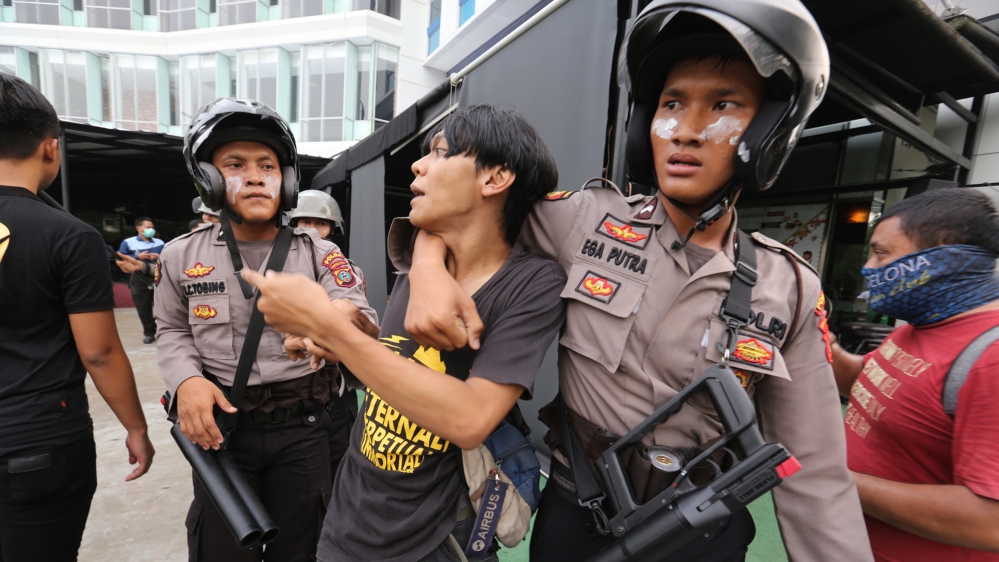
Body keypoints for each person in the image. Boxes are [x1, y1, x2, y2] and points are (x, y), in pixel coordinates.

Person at [403, 2, 874, 561]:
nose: (688, 131)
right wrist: (429, 269)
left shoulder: (788, 286)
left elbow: (816, 471)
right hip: (580, 516)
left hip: (701, 528)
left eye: (723, 105)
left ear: (771, 129)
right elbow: (458, 209)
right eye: (672, 105)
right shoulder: (582, 219)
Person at [242, 105, 567, 562]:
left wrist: (332, 328)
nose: (418, 165)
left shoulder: (532, 284)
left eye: (440, 152)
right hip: (349, 521)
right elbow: (399, 362)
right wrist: (336, 344)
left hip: (433, 540)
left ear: (494, 178)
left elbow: (470, 419)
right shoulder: (419, 265)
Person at [155, 98, 377, 562]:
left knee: (305, 547)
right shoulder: (179, 257)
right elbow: (172, 329)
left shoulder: (319, 252)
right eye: (234, 164)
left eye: (267, 165)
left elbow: (355, 310)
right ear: (209, 180)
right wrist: (186, 381)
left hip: (304, 428)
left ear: (288, 179)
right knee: (221, 547)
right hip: (221, 433)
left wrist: (328, 330)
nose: (254, 176)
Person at [0, 73, 155, 561]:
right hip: (36, 441)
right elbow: (100, 352)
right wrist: (136, 427)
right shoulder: (67, 236)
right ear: (50, 149)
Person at [830, 188, 999, 562]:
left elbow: (992, 521)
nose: (869, 269)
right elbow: (871, 386)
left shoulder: (992, 358)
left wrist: (831, 478)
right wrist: (820, 343)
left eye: (882, 253)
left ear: (945, 257)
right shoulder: (920, 325)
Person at [286, 189, 363, 480]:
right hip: (289, 385)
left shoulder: (346, 269)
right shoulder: (276, 266)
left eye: (320, 223)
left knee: (339, 461)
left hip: (333, 382)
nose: (311, 230)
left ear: (334, 229)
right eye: (302, 221)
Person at [118, 216, 163, 343]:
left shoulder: (159, 242)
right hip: (138, 277)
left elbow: (168, 256)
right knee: (143, 307)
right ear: (139, 228)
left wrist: (158, 256)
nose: (151, 229)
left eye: (152, 227)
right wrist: (137, 257)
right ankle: (149, 333)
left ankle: (160, 328)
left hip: (157, 274)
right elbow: (122, 260)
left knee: (164, 306)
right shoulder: (128, 242)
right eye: (148, 227)